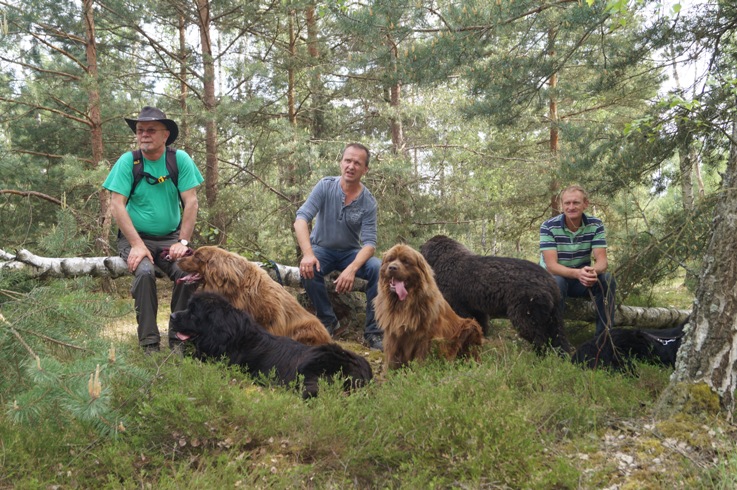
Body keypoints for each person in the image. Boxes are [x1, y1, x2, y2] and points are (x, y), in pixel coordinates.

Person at [103, 106, 204, 353]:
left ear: (165, 135)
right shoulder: (129, 162)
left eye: (150, 130)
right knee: (145, 273)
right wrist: (137, 245)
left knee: (187, 274)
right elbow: (117, 204)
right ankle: (149, 343)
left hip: (171, 238)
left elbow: (191, 201)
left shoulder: (179, 160)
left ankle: (179, 340)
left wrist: (183, 242)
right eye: (140, 130)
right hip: (134, 239)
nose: (144, 134)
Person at [294, 143, 383, 351]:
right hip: (321, 249)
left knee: (378, 268)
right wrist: (308, 254)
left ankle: (373, 332)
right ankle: (328, 320)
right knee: (307, 269)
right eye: (347, 161)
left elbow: (369, 244)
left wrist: (351, 269)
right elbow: (301, 219)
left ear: (365, 169)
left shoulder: (368, 202)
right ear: (341, 163)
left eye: (357, 163)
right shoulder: (325, 186)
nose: (351, 166)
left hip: (350, 253)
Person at [540, 185, 616, 338]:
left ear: (585, 204)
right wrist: (578, 273)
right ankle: (556, 339)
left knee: (607, 280)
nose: (571, 207)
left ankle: (604, 339)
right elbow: (551, 266)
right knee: (557, 282)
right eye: (567, 203)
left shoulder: (595, 225)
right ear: (562, 205)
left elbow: (602, 261)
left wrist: (593, 272)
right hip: (554, 278)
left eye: (576, 203)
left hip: (581, 278)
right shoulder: (548, 227)